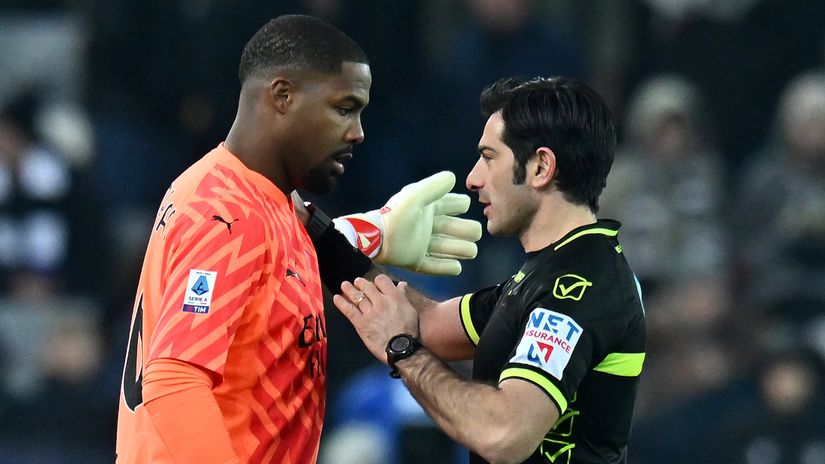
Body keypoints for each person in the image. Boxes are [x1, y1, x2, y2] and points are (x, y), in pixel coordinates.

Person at [115, 15, 481, 464]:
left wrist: (371, 233)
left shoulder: (252, 199)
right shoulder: (227, 213)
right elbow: (174, 381)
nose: (358, 132)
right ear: (283, 96)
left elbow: (268, 261)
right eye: (344, 108)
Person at [306, 76, 646, 463]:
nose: (473, 179)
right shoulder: (542, 278)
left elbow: (502, 433)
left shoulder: (580, 287)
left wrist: (403, 351)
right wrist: (324, 233)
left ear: (540, 167)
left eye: (488, 157)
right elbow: (426, 322)